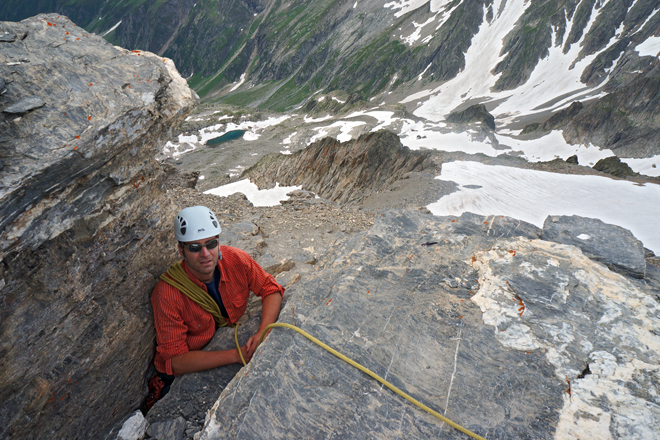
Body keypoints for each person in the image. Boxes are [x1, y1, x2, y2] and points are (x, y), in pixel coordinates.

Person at [151, 205, 284, 377]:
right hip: (194, 361)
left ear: (218, 243)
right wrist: (236, 355)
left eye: (211, 244)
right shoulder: (168, 295)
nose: (205, 254)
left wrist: (263, 332)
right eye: (194, 247)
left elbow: (270, 289)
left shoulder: (236, 260)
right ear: (181, 250)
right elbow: (176, 362)